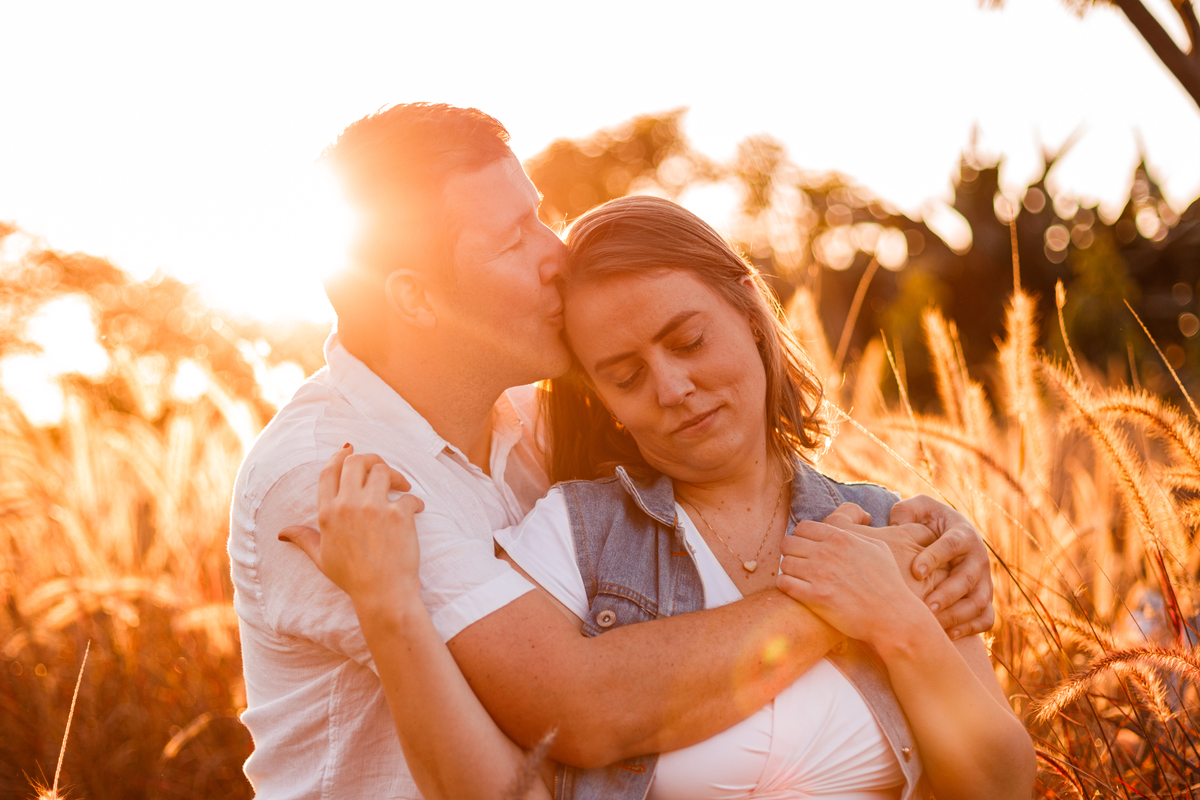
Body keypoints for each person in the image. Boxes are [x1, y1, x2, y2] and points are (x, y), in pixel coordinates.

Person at [230, 102, 1000, 799]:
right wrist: (867, 587)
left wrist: (938, 533)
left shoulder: (528, 421)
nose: (554, 255)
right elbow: (579, 708)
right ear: (416, 298)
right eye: (512, 241)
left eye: (540, 217)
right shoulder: (334, 473)